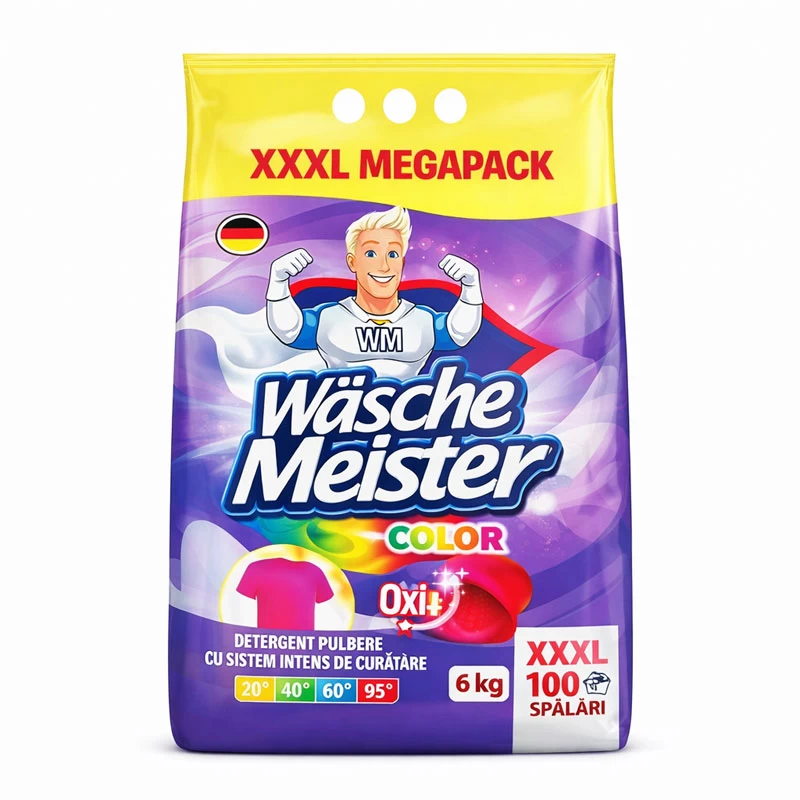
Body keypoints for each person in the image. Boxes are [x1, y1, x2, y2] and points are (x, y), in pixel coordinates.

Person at [265, 206, 483, 380]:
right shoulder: (329, 317)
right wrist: (278, 283)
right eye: (370, 253)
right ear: (352, 262)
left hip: (409, 419)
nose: (384, 266)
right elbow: (289, 330)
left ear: (402, 263)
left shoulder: (422, 320)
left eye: (393, 254)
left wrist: (471, 288)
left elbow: (459, 333)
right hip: (340, 420)